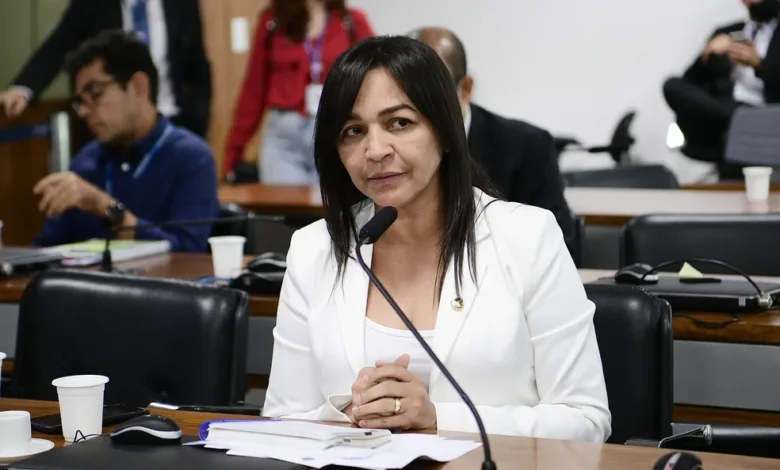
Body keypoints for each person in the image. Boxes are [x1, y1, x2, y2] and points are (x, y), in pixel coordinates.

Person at [263, 36, 611, 441]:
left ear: (445, 131)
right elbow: (281, 421)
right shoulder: (314, 248)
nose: (375, 150)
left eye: (399, 123)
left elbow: (585, 422)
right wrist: (350, 414)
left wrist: (436, 418)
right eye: (353, 130)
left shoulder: (528, 238)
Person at [33, 30, 219, 253]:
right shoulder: (85, 162)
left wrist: (104, 206)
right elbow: (46, 250)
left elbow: (188, 254)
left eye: (95, 93)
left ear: (138, 87)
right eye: (80, 101)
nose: (83, 111)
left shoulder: (191, 159)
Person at [409, 27, 577, 255]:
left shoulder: (527, 147)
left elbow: (560, 247)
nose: (417, 106)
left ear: (465, 89)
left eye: (432, 92)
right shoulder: (383, 152)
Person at [0, 0, 211, 138]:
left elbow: (198, 68)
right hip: (112, 130)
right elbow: (59, 45)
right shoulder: (93, 4)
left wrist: (197, 124)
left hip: (171, 124)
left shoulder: (181, 4)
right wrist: (23, 89)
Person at [223, 0, 374, 184]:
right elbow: (253, 91)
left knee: (331, 200)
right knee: (283, 201)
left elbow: (374, 81)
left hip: (334, 134)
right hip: (284, 139)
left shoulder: (351, 21)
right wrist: (234, 151)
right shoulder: (273, 22)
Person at [663, 0, 780, 178]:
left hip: (767, 114)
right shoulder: (730, 32)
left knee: (731, 136)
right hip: (724, 108)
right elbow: (690, 83)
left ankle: (739, 120)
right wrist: (706, 56)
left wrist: (759, 64)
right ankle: (736, 119)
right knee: (672, 85)